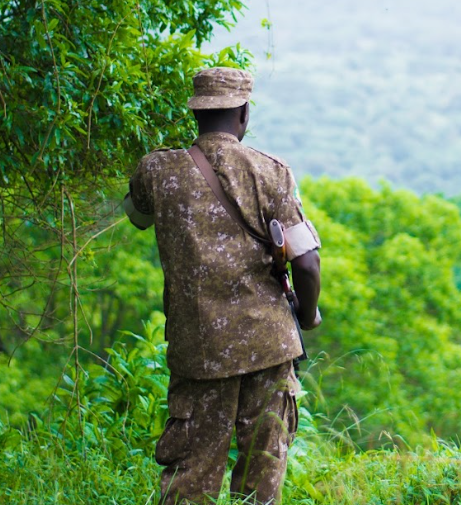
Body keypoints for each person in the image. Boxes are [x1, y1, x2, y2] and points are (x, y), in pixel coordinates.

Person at [123, 66, 322, 505]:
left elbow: (136, 216)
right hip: (268, 348)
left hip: (200, 350)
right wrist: (307, 317)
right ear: (244, 114)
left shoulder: (157, 171)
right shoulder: (271, 172)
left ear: (196, 114)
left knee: (190, 478)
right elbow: (307, 264)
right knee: (262, 477)